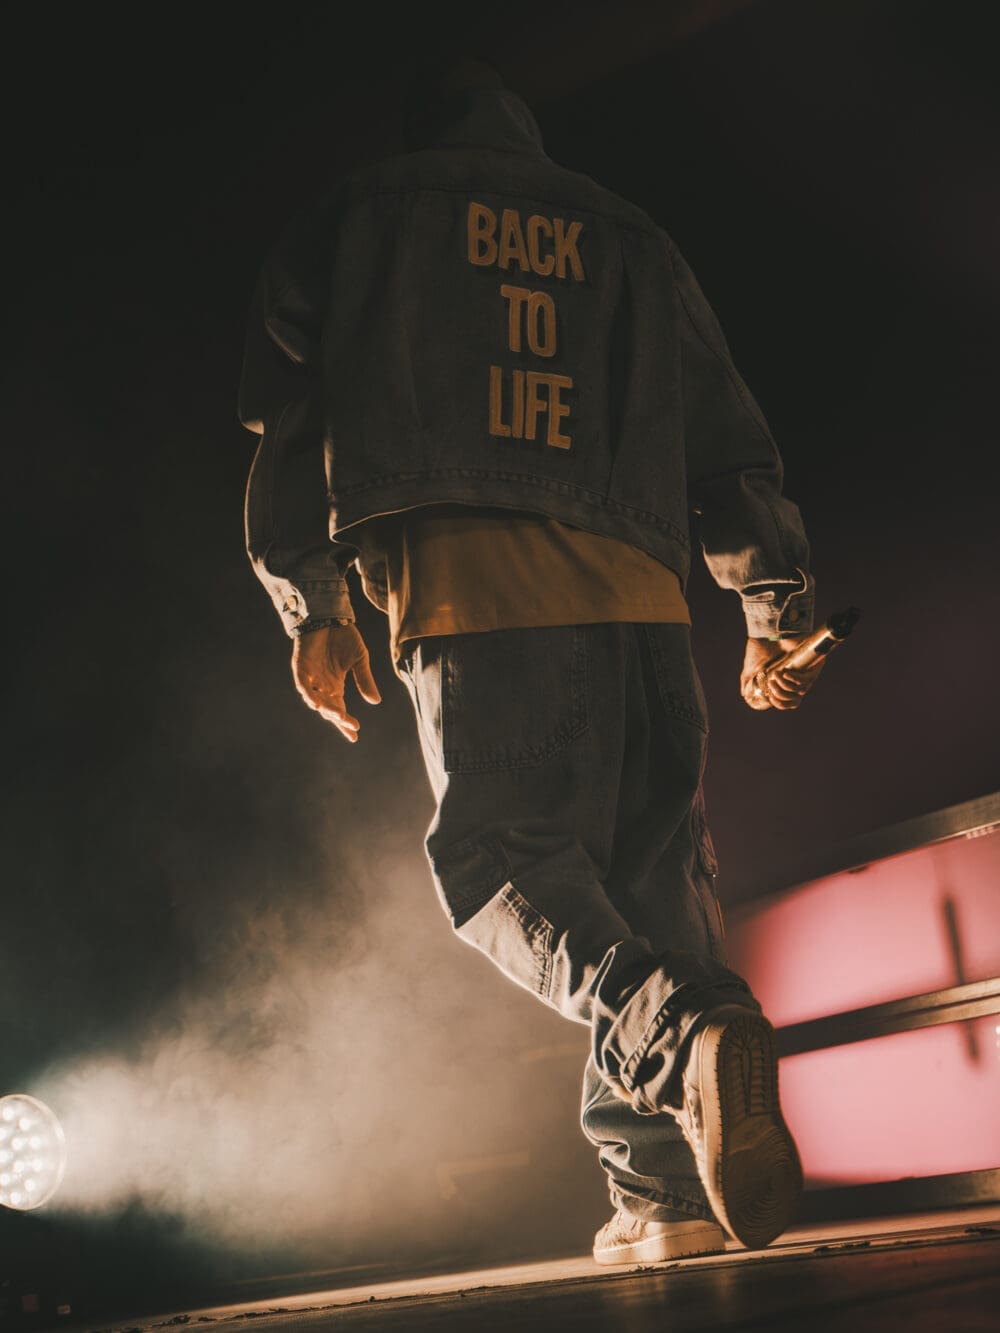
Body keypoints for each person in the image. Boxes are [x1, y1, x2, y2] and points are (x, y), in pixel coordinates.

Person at [238, 59, 826, 1266]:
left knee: (499, 866)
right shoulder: (631, 235)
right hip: (642, 596)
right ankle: (662, 1196)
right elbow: (727, 435)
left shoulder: (362, 213)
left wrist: (314, 603)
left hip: (478, 583)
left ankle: (681, 1033)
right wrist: (771, 603)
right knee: (648, 881)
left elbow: (293, 416)